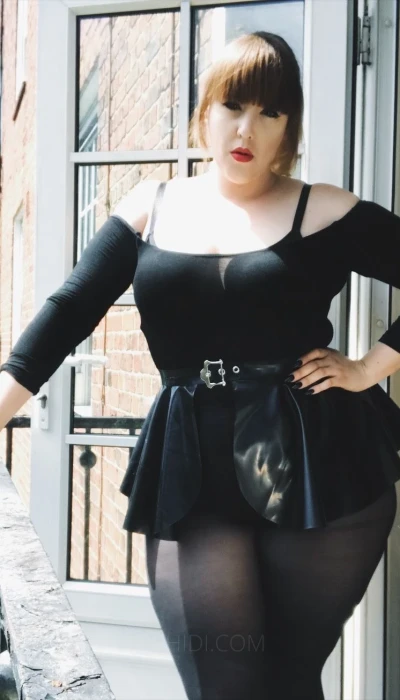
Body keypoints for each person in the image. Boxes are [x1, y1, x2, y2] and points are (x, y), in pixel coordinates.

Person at [1, 30, 400, 700]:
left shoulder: (323, 208)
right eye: (232, 105)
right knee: (225, 686)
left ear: (289, 127)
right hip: (190, 469)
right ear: (205, 111)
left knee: (289, 684)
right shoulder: (149, 209)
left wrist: (368, 367)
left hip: (319, 467)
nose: (246, 129)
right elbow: (67, 313)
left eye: (270, 112)